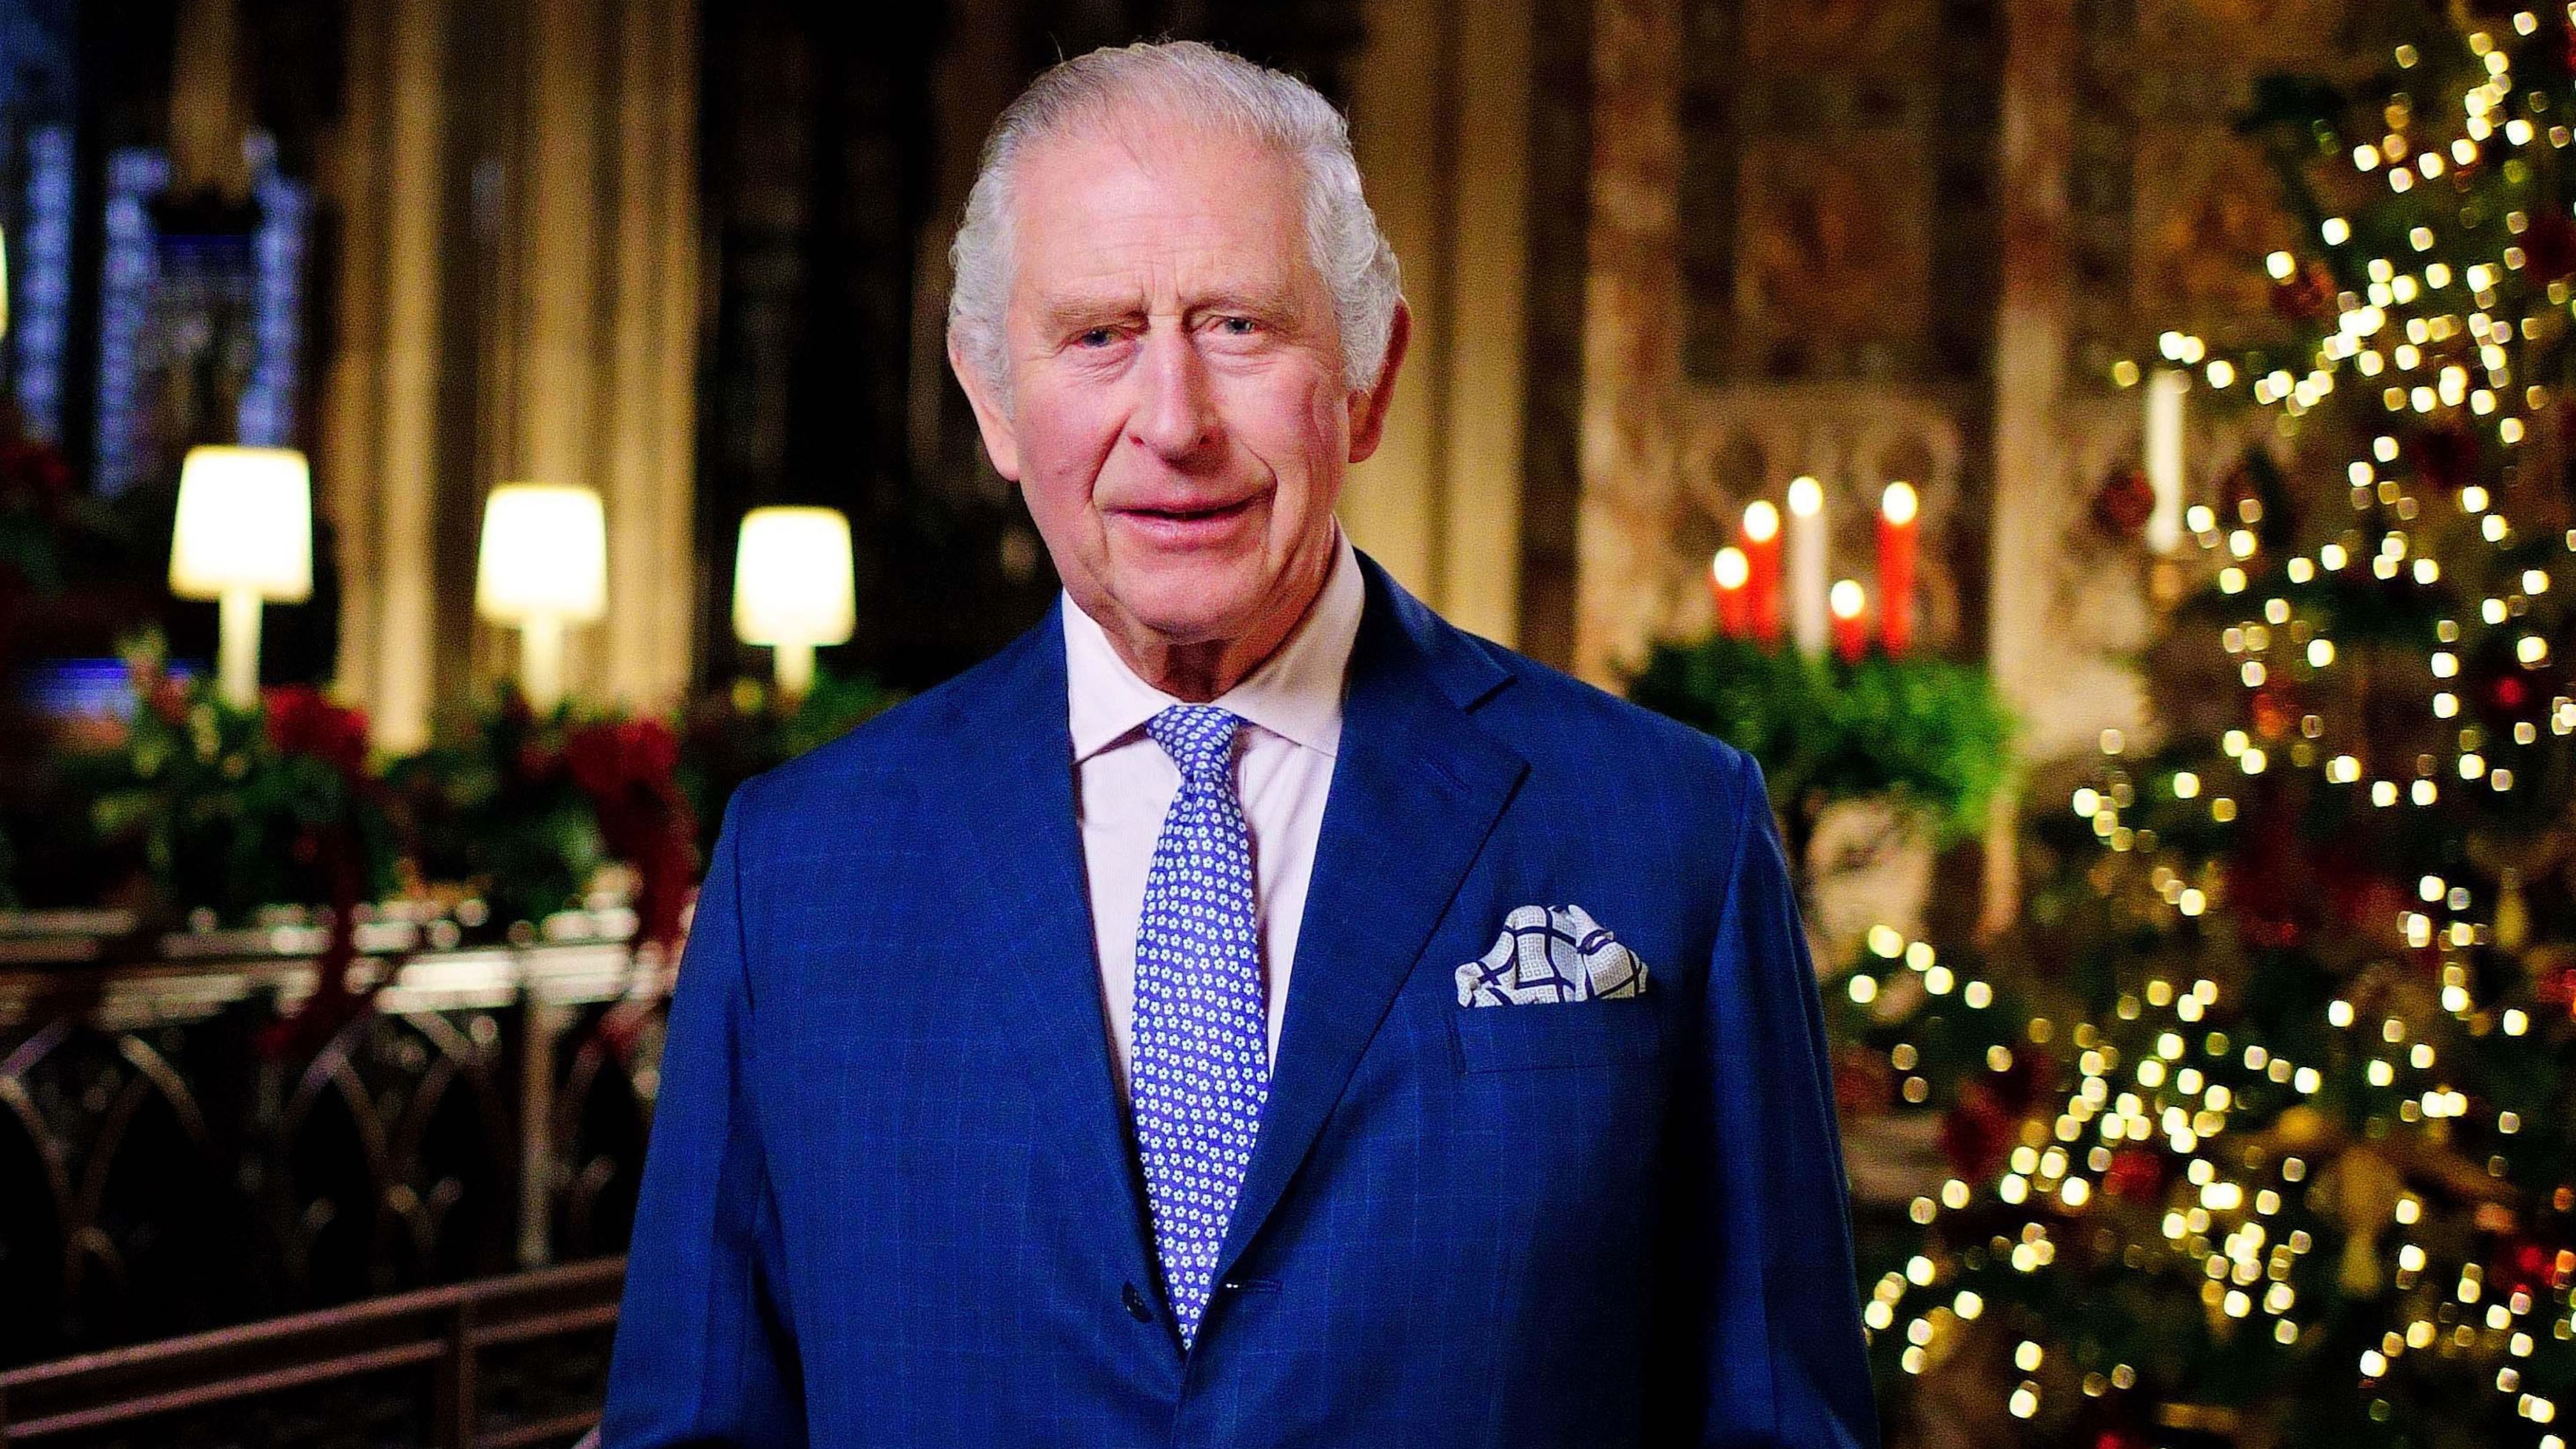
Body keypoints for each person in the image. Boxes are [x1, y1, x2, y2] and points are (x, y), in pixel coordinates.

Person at [605, 39, 1875, 1448]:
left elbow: (1780, 1423)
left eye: (1238, 327)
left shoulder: (1667, 831)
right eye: (1097, 335)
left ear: (1370, 375)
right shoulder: (803, 868)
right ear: (992, 402)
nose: (1172, 422)